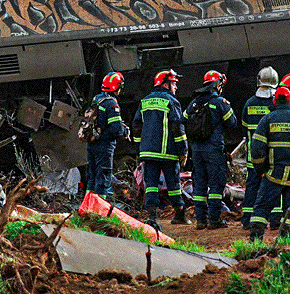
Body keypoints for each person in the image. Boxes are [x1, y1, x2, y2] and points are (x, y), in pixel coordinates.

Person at [248, 79, 290, 242]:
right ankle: (286, 240)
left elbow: (256, 148)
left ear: (274, 101)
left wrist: (261, 169)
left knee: (262, 207)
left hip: (273, 174)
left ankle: (255, 240)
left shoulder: (267, 120)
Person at [132, 68, 188, 228]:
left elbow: (136, 126)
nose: (176, 87)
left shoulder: (144, 101)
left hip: (148, 153)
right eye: (174, 83)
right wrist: (183, 151)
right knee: (173, 184)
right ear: (165, 84)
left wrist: (139, 149)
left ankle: (152, 217)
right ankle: (179, 214)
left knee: (150, 184)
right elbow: (177, 127)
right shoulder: (172, 101)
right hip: (167, 152)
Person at [185, 69, 239, 230]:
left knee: (199, 185)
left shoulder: (194, 103)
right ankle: (214, 220)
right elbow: (232, 123)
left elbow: (183, 119)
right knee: (216, 185)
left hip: (197, 150)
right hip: (214, 150)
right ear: (217, 85)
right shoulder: (220, 102)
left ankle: (201, 220)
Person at [239, 67, 278, 229]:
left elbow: (244, 128)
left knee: (252, 185)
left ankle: (247, 218)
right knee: (273, 186)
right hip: (271, 154)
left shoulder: (249, 103)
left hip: (253, 155)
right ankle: (274, 219)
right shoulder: (275, 103)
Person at [86, 72, 130, 197]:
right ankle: (100, 206)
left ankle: (88, 205)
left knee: (92, 178)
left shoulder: (97, 99)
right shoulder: (111, 104)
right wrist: (125, 131)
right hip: (104, 146)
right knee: (103, 179)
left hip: (92, 143)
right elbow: (116, 129)